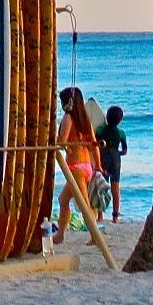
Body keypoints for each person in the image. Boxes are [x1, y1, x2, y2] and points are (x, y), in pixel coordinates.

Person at [52, 87, 99, 245]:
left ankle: (95, 236)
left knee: (83, 204)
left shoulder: (68, 118)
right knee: (63, 199)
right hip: (86, 165)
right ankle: (60, 234)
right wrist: (98, 165)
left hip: (76, 167)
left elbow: (62, 140)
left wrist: (53, 136)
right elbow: (94, 145)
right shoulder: (85, 120)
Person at [95, 104, 129, 223]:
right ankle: (115, 217)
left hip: (103, 158)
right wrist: (117, 153)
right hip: (115, 160)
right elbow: (124, 151)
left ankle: (100, 216)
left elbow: (96, 144)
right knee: (115, 188)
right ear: (120, 120)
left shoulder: (100, 129)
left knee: (101, 187)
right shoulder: (121, 133)